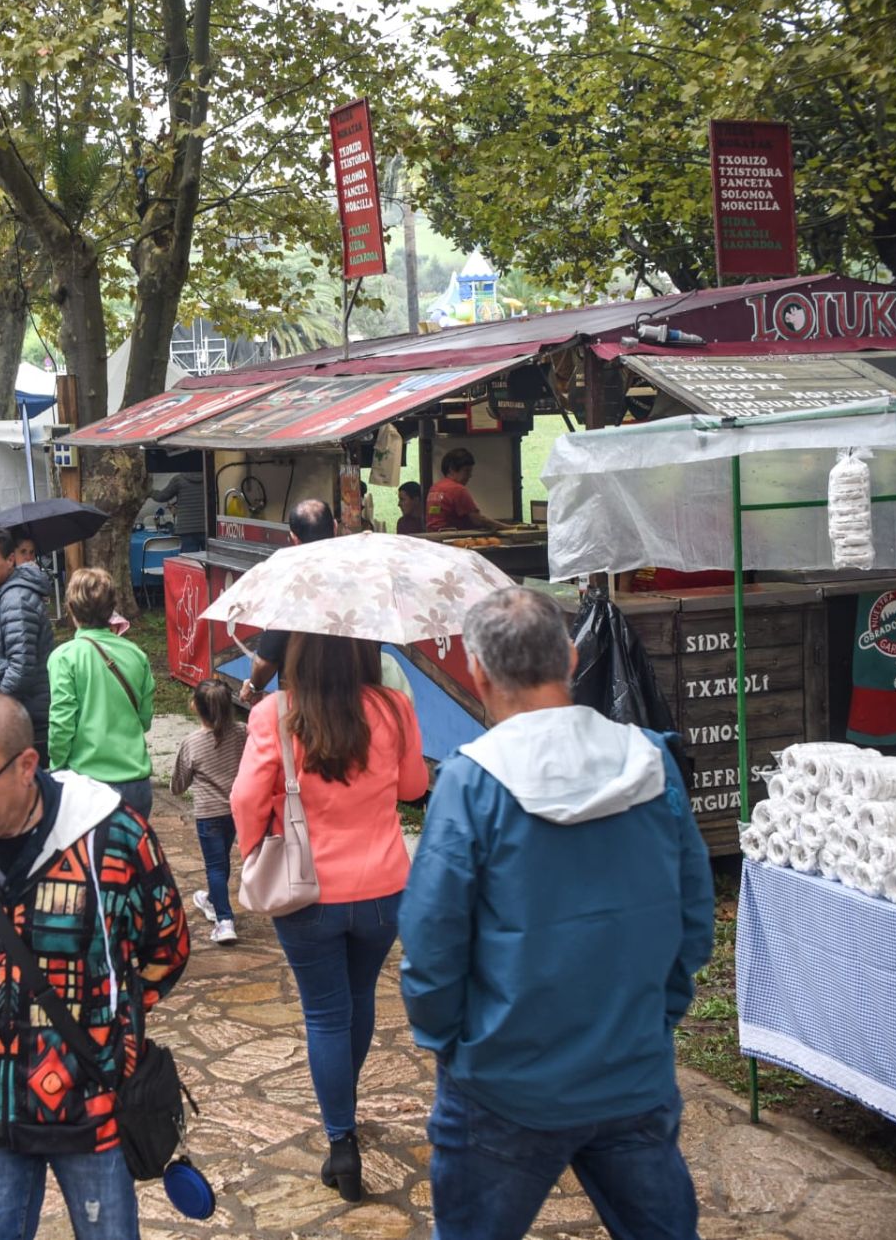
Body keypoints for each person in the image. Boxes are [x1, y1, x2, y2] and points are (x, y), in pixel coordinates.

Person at [401, 587, 714, 1239]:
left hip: (502, 1086)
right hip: (631, 1073)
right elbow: (693, 917)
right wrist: (655, 1018)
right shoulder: (651, 762)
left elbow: (432, 946)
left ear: (478, 672)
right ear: (572, 658)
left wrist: (453, 1045)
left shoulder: (470, 782)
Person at [0, 675, 189, 1240]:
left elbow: (167, 948)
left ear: (26, 766)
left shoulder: (114, 838)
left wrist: (108, 1025)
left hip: (91, 1112)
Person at [231, 632, 427, 1202]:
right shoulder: (393, 707)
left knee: (324, 1014)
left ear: (297, 655)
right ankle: (344, 1100)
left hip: (306, 891)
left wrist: (253, 849)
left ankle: (341, 1139)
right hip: (384, 887)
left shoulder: (276, 712)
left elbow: (246, 797)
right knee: (359, 998)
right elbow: (414, 786)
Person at [46, 568, 154, 813]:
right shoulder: (136, 655)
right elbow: (145, 720)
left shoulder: (64, 657)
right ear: (112, 608)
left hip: (85, 783)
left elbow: (61, 724)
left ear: (71, 609)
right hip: (136, 782)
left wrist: (57, 766)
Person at [171, 677, 247, 947]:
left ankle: (224, 921)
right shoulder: (242, 732)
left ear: (195, 706)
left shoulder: (192, 742)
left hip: (208, 814)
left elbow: (178, 786)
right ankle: (214, 899)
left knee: (215, 865)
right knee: (222, 860)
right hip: (236, 811)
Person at [238, 499, 335, 706]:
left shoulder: (291, 584)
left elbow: (266, 661)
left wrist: (254, 686)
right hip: (357, 703)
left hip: (306, 705)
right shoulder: (362, 576)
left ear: (294, 538)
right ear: (335, 527)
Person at [0, 527, 54, 750]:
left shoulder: (16, 599)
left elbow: (22, 667)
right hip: (10, 719)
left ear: (10, 560)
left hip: (23, 724)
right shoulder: (0, 592)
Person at [425, 447, 503, 533]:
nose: (470, 475)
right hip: (452, 538)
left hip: (433, 538)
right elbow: (477, 520)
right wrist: (507, 528)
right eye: (467, 471)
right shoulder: (457, 489)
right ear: (452, 469)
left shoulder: (435, 488)